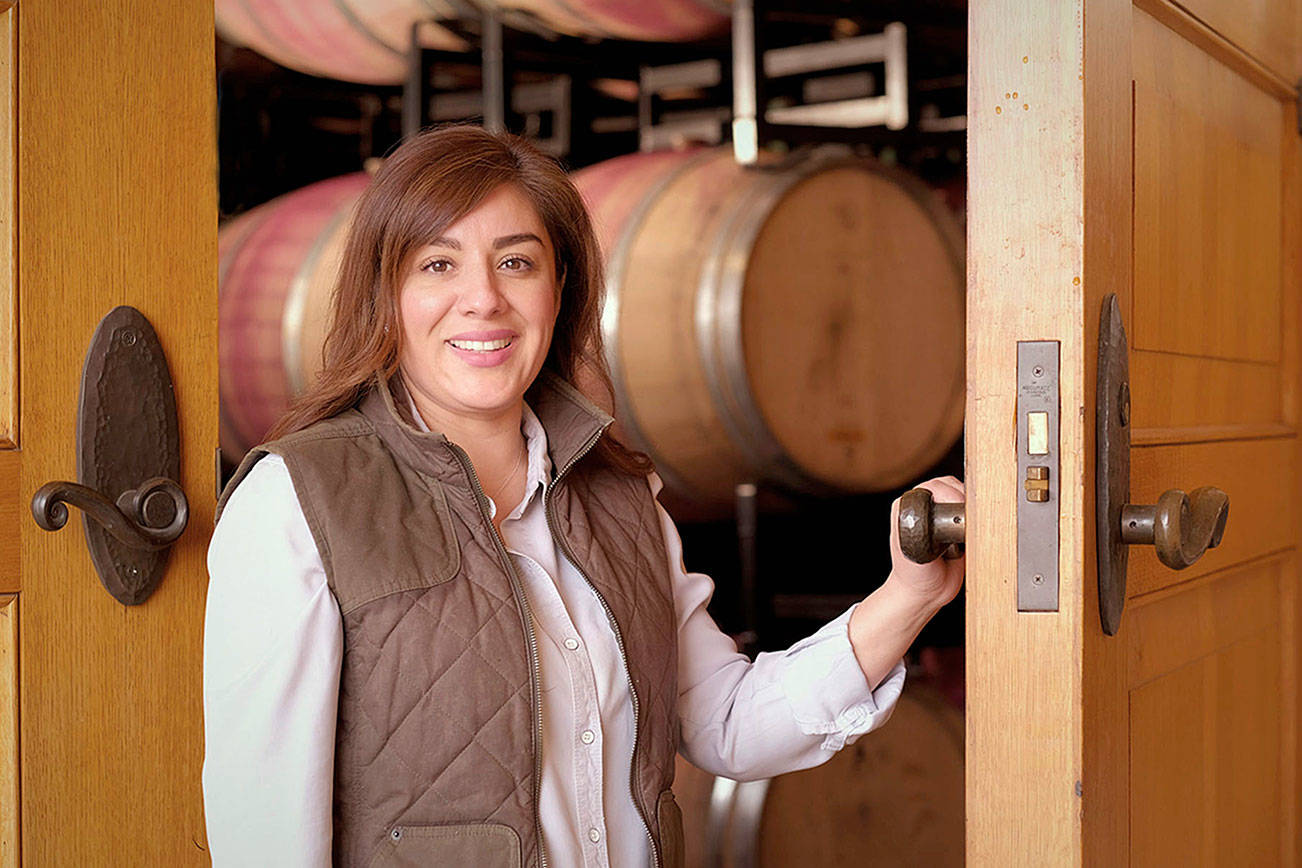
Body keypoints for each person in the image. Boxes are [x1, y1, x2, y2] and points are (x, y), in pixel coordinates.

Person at [202, 123, 966, 868]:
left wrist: (910, 594)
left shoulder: (620, 495)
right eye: (437, 265)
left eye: (516, 263)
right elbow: (265, 833)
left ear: (559, 288)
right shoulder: (297, 502)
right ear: (386, 290)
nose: (482, 301)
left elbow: (727, 724)